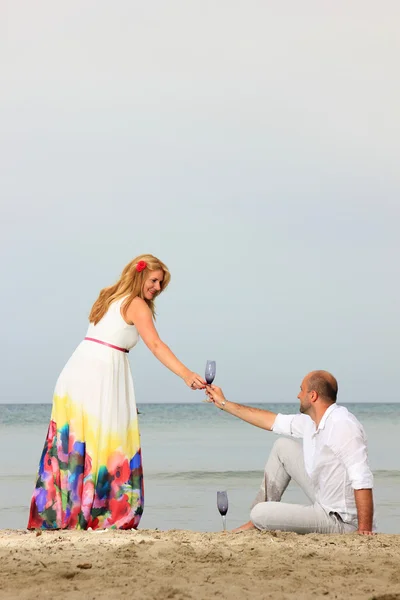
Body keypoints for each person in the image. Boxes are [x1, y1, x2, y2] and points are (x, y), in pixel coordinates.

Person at [28, 254, 206, 530]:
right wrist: (185, 374)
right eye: (155, 280)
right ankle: (101, 514)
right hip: (98, 375)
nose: (158, 288)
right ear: (140, 274)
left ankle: (61, 514)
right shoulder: (136, 305)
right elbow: (156, 345)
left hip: (78, 372)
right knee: (105, 444)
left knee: (72, 445)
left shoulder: (108, 296)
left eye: (161, 284)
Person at [206, 370, 375, 535]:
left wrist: (364, 530)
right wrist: (224, 403)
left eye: (301, 390)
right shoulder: (311, 422)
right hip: (324, 498)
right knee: (282, 447)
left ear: (313, 396)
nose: (298, 395)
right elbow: (270, 421)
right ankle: (254, 524)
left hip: (339, 521)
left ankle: (257, 519)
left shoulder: (342, 425)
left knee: (259, 513)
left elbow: (362, 478)